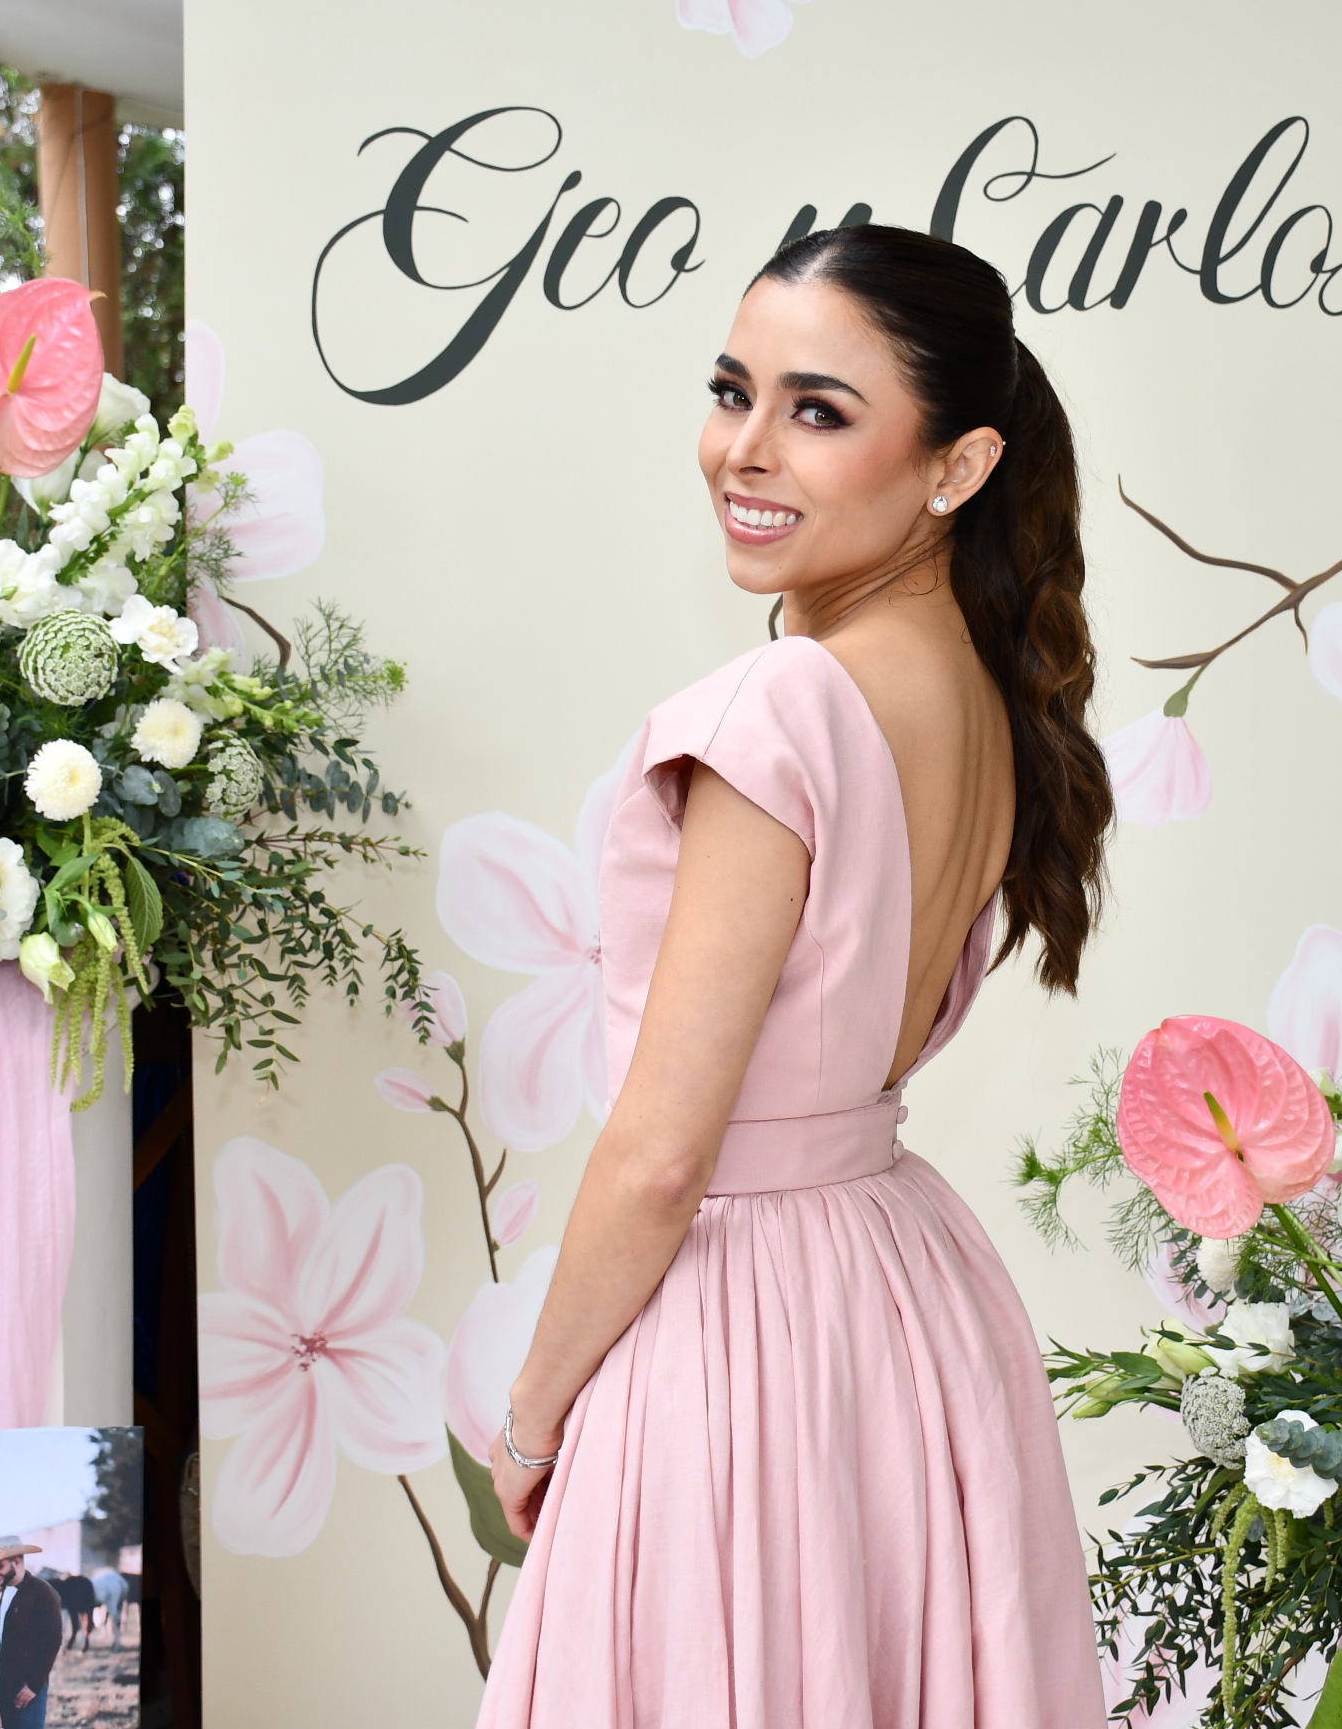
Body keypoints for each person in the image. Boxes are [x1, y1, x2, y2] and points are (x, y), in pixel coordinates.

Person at [476, 225, 1110, 1726]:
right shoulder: (986, 692)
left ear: (957, 466)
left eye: (817, 410)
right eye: (732, 391)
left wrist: (531, 1415)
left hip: (736, 1321)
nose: (744, 450)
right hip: (896, 1294)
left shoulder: (782, 705)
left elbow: (660, 1154)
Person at [0, 1538, 63, 1729]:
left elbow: (52, 1641)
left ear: (16, 1561)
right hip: (1, 1684)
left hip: (27, 1686)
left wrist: (34, 1685)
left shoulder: (43, 1593)